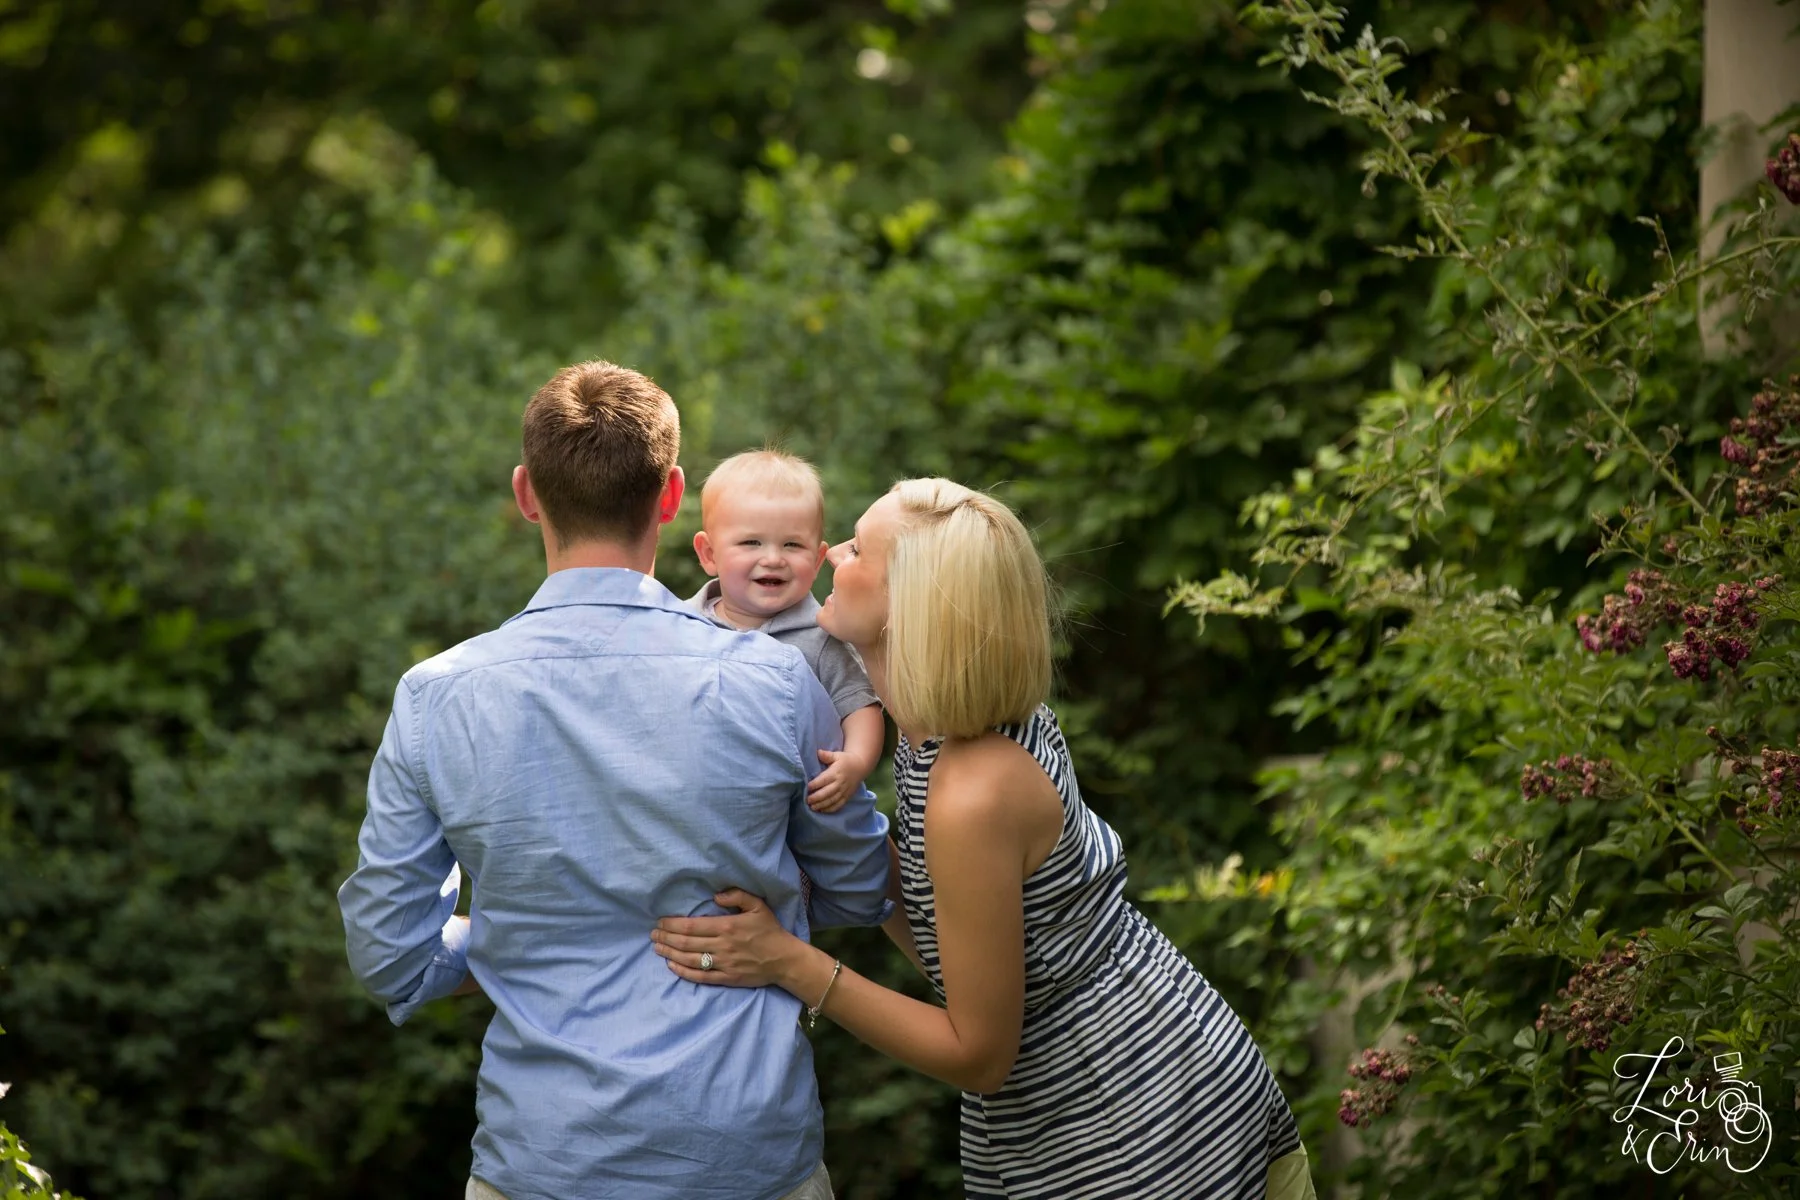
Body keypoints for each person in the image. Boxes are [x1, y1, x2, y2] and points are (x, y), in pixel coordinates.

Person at [651, 478, 1316, 1200]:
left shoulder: (973, 790)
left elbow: (978, 1055)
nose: (833, 553)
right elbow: (949, 917)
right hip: (1099, 1087)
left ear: (913, 601)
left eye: (858, 547)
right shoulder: (935, 729)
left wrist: (790, 962)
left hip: (1136, 1120)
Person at [337, 360, 894, 1200]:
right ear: (672, 499)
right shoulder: (778, 683)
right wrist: (773, 918)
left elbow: (389, 953)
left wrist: (501, 934)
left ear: (528, 495)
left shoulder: (437, 696)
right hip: (748, 1158)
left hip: (543, 1161)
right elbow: (858, 886)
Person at [685, 449, 883, 813]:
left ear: (818, 558)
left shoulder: (821, 637)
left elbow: (861, 708)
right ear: (709, 554)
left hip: (801, 806)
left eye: (792, 544)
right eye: (751, 542)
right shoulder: (682, 626)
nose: (773, 558)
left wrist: (855, 761)